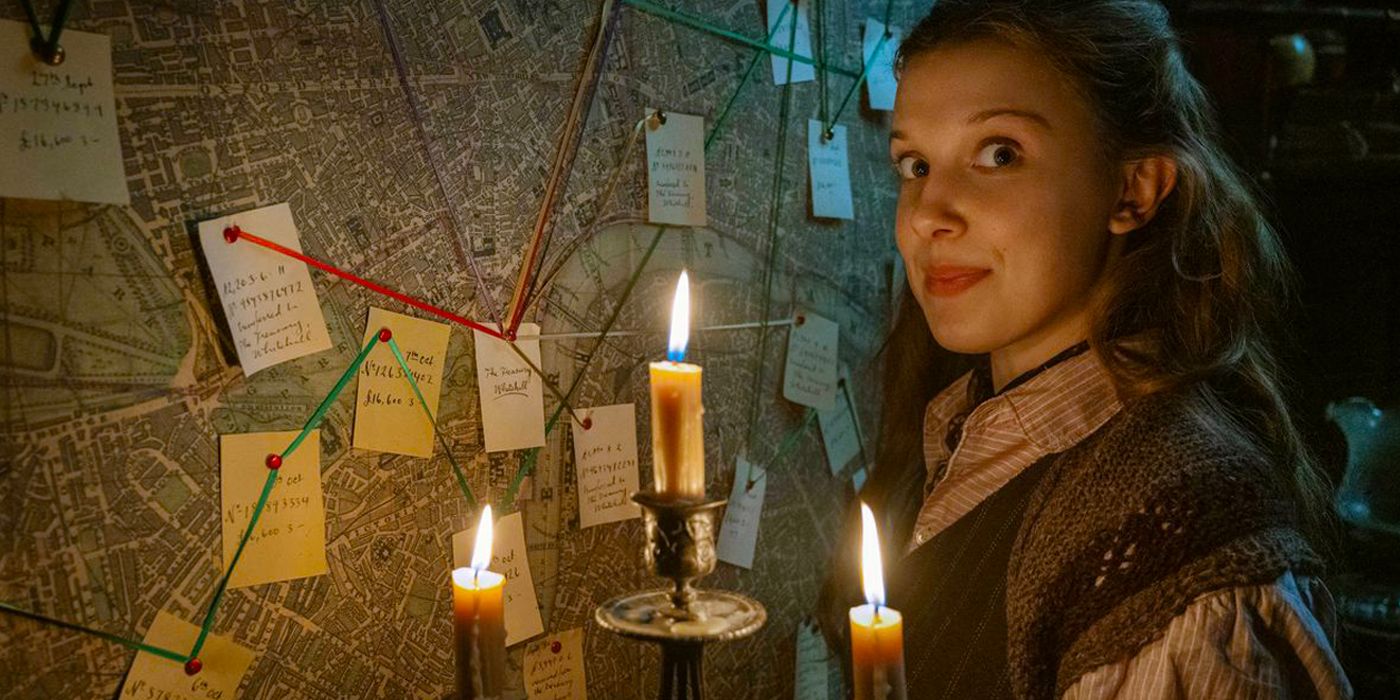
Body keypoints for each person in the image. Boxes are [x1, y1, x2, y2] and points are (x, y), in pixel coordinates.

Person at [816, 1, 1353, 698]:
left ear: (1133, 190)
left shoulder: (1178, 570)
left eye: (998, 153)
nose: (926, 214)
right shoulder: (956, 432)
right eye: (915, 163)